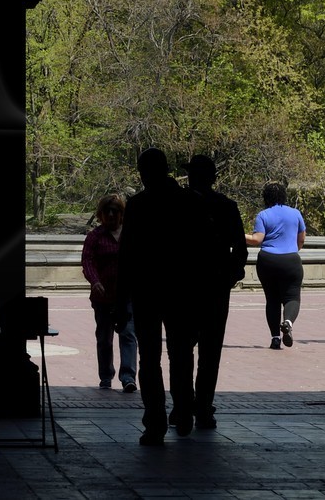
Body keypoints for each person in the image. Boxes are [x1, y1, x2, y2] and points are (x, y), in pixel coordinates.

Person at [118, 148, 211, 445]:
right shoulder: (190, 201)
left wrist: (121, 300)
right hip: (182, 290)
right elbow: (202, 252)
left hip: (147, 290)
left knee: (149, 359)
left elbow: (127, 255)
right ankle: (183, 412)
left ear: (144, 172)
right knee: (181, 355)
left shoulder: (138, 205)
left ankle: (155, 422)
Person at [186, 155, 247, 429]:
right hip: (216, 287)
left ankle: (184, 404)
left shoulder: (179, 205)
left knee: (182, 349)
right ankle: (203, 406)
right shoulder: (226, 206)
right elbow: (241, 249)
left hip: (185, 287)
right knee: (210, 353)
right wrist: (230, 276)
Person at [80, 193, 136, 393]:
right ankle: (106, 376)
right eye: (107, 211)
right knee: (104, 338)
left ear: (122, 214)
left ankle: (128, 377)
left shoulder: (130, 235)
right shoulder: (95, 236)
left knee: (128, 335)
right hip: (102, 297)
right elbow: (87, 261)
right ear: (100, 214)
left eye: (115, 211)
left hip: (127, 295)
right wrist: (95, 281)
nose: (111, 215)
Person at [247, 181, 308, 351]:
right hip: (291, 260)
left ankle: (275, 338)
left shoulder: (263, 215)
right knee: (292, 297)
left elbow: (257, 240)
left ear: (266, 197)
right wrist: (293, 251)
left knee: (272, 299)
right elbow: (302, 239)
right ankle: (287, 322)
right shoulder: (295, 213)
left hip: (267, 260)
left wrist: (238, 234)